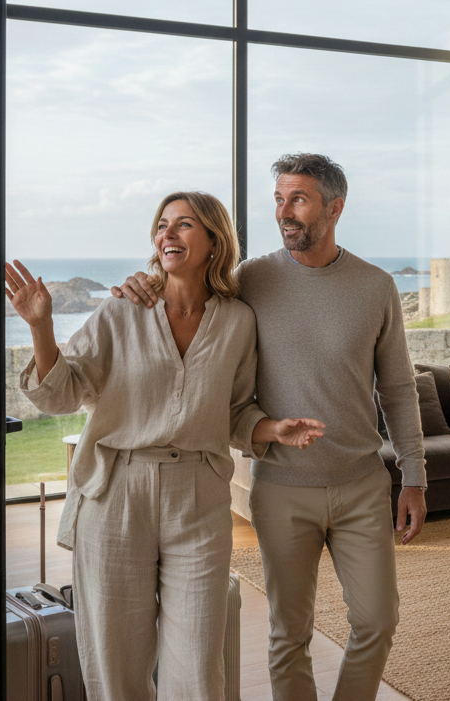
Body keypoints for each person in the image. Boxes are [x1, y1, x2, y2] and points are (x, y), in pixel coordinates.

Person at [113, 154, 428, 701]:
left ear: (335, 207)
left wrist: (415, 476)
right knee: (289, 634)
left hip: (361, 486)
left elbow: (397, 388)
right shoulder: (251, 280)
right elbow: (188, 300)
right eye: (279, 199)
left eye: (298, 199)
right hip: (282, 490)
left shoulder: (376, 287)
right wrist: (142, 286)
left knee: (377, 622)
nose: (285, 212)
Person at [7, 191, 325, 701]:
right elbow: (63, 392)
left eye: (184, 225)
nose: (168, 234)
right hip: (116, 495)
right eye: (162, 225)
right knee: (116, 666)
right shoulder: (122, 311)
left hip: (198, 496)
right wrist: (41, 326)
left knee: (198, 669)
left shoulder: (238, 322)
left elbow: (235, 411)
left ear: (214, 242)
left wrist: (272, 429)